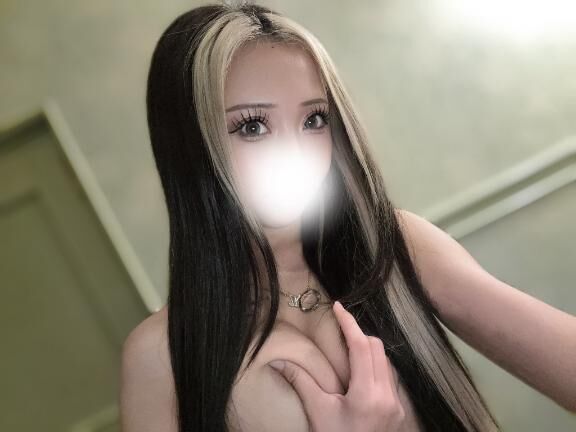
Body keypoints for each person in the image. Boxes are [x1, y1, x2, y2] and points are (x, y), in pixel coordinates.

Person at [120, 2, 576, 432]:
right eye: (252, 126)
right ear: (190, 146)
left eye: (314, 120)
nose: (296, 152)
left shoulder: (395, 247)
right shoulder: (160, 357)